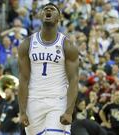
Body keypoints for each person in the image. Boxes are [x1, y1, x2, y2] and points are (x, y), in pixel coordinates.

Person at [18, 3, 79, 135]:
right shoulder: (27, 44)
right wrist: (22, 111)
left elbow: (73, 80)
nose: (49, 10)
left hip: (58, 100)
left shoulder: (67, 45)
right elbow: (23, 79)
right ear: (40, 15)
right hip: (33, 101)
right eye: (45, 9)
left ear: (59, 18)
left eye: (53, 9)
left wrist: (69, 111)